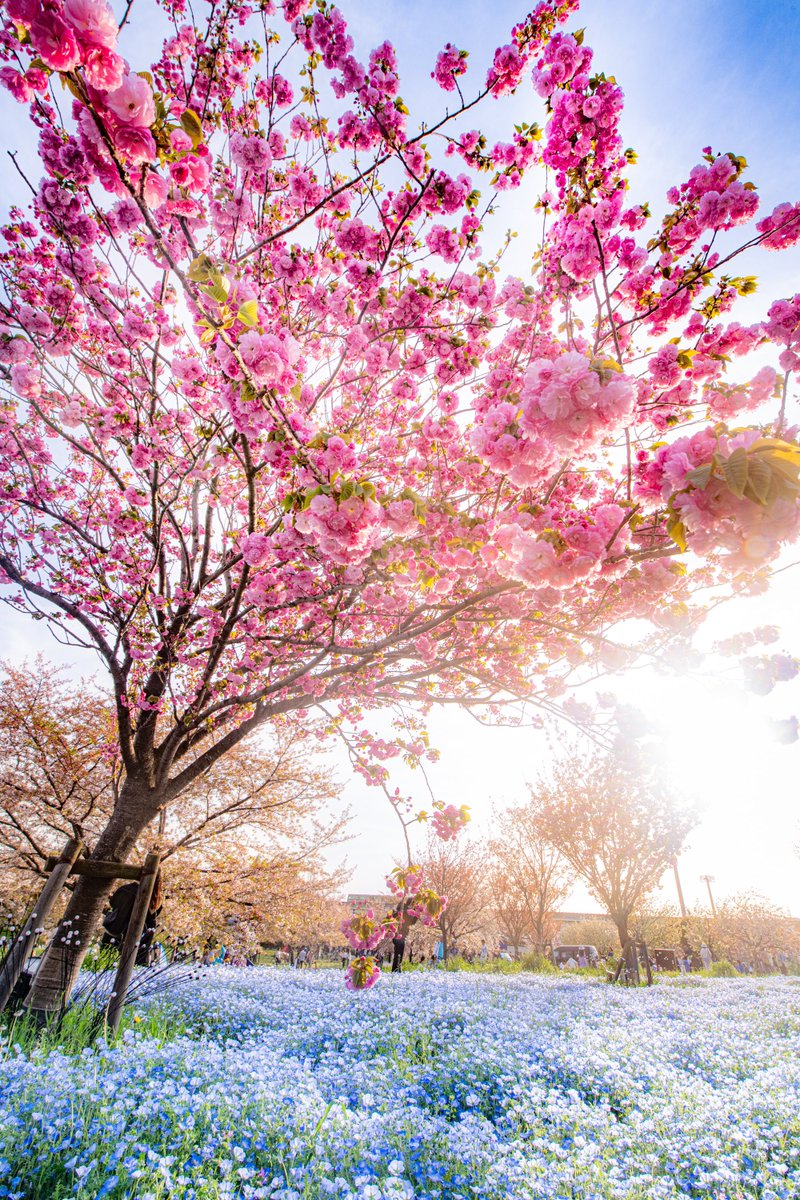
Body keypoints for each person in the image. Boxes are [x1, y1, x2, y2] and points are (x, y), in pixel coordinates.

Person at [101, 871, 163, 966]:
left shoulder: (124, 889)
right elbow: (151, 918)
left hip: (114, 932)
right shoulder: (156, 899)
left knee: (105, 965)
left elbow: (112, 903)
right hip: (137, 941)